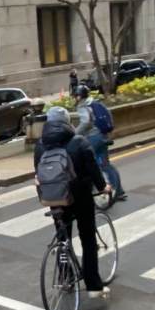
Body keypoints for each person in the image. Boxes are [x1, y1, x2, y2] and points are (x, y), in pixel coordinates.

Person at [35, 107, 113, 298]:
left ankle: (65, 278)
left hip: (55, 198)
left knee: (63, 239)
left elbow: (39, 174)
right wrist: (103, 186)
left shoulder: (40, 145)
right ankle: (94, 286)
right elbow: (93, 170)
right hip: (80, 197)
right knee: (87, 238)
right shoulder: (79, 141)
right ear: (68, 121)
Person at [74, 85, 127, 201]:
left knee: (88, 162)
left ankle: (92, 189)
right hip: (103, 136)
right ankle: (119, 191)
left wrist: (76, 133)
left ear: (79, 96)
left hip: (93, 138)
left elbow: (86, 121)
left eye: (75, 96)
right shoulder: (94, 102)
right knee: (104, 164)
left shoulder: (83, 105)